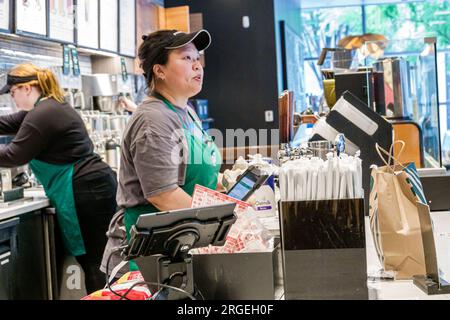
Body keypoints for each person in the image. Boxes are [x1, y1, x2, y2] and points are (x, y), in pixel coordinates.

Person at [0, 63, 118, 294]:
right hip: (92, 188)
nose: (12, 98)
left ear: (27, 88)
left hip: (89, 192)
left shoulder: (43, 113)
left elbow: (14, 155)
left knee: (97, 267)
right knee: (97, 265)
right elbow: (5, 123)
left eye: (13, 92)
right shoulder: (47, 108)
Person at [115, 29, 223, 271]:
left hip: (183, 242)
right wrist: (217, 224)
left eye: (197, 58)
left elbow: (204, 178)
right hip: (150, 257)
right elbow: (163, 196)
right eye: (186, 58)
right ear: (159, 70)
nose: (197, 66)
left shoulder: (186, 111)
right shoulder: (153, 120)